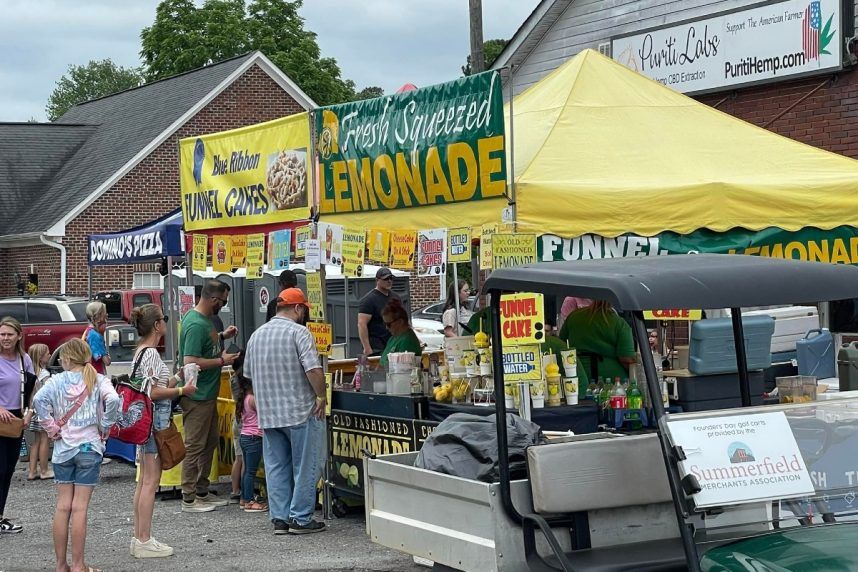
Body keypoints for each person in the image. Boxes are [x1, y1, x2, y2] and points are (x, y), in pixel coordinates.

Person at [243, 288, 326, 535]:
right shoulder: (299, 333)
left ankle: (279, 518)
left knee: (276, 466)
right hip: (299, 410)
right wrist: (321, 395)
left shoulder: (256, 336)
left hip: (269, 413)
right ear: (298, 308)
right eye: (305, 310)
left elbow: (247, 374)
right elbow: (313, 370)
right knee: (306, 464)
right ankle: (300, 518)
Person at [33, 338, 121, 572]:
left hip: (63, 450)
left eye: (61, 358)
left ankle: (61, 565)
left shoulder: (55, 381)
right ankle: (79, 565)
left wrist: (52, 428)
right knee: (80, 509)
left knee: (63, 507)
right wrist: (105, 425)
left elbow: (38, 400)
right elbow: (113, 399)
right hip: (89, 449)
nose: (60, 360)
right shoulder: (98, 379)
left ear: (68, 359)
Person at [130, 304, 196, 558]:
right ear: (157, 325)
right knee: (150, 482)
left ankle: (139, 537)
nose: (166, 323)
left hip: (145, 423)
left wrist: (178, 377)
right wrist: (181, 391)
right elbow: (153, 393)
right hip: (154, 424)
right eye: (164, 319)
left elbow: (154, 385)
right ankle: (144, 539)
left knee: (145, 480)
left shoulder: (140, 353)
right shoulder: (151, 355)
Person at [178, 279, 239, 513]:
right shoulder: (195, 324)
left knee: (209, 442)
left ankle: (201, 491)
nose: (223, 306)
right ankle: (189, 497)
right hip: (197, 395)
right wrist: (222, 361)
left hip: (207, 394)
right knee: (195, 445)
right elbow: (190, 361)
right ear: (213, 299)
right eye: (223, 301)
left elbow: (205, 346)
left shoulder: (204, 322)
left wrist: (222, 336)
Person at [0, 316, 32, 533]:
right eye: (2, 334)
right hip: (0, 415)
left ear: (19, 336)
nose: (5, 338)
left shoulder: (24, 360)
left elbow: (31, 391)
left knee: (8, 470)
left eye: (10, 334)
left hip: (15, 420)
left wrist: (30, 413)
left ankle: (0, 516)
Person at [558, 300, 636, 382]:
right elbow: (627, 359)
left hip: (577, 376)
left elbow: (561, 345)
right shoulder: (619, 323)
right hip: (611, 381)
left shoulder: (573, 317)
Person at [235, 375, 267, 513]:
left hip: (245, 436)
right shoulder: (252, 399)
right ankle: (249, 501)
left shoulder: (243, 399)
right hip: (254, 437)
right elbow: (264, 413)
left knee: (247, 470)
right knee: (250, 471)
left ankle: (244, 498)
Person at [24, 343, 53, 481]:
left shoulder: (29, 372)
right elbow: (48, 392)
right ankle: (44, 470)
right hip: (42, 411)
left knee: (35, 441)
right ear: (41, 358)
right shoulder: (44, 374)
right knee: (45, 439)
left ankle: (32, 471)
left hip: (32, 411)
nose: (50, 354)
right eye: (47, 353)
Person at [358, 267, 401, 356]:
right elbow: (362, 324)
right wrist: (367, 348)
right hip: (377, 348)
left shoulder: (395, 297)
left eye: (391, 278)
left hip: (394, 346)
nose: (389, 281)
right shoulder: (369, 300)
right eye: (386, 279)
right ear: (377, 280)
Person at [380, 300, 423, 367]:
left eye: (388, 324)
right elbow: (382, 364)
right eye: (384, 324)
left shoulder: (408, 341)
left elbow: (401, 369)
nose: (386, 328)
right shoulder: (393, 338)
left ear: (400, 322)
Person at [83, 301, 111, 375]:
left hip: (89, 372)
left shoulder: (88, 331)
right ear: (98, 316)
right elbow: (107, 362)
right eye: (104, 313)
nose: (107, 315)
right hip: (96, 374)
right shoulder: (95, 336)